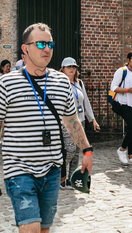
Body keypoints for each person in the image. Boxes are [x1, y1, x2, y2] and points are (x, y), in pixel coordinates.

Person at [0, 23, 93, 233]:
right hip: (19, 169)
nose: (47, 48)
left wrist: (87, 150)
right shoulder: (6, 83)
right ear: (25, 48)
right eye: (40, 43)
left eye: (50, 43)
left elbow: (72, 121)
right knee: (30, 228)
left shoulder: (61, 81)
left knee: (44, 229)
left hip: (51, 169)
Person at [59, 57, 99, 188]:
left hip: (80, 121)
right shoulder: (59, 84)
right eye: (69, 66)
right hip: (67, 122)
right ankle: (61, 176)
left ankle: (70, 179)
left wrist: (92, 119)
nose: (72, 69)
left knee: (76, 151)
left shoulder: (79, 83)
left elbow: (85, 102)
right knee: (69, 150)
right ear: (63, 69)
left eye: (74, 67)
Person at [111, 51, 132, 166]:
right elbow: (113, 87)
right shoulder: (122, 71)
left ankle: (131, 156)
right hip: (124, 104)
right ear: (128, 60)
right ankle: (122, 149)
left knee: (131, 129)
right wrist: (128, 90)